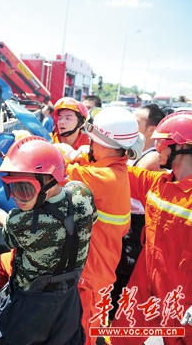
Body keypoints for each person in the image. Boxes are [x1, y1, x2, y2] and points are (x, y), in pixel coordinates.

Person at [0, 136, 97, 345]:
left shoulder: (20, 221)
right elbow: (91, 219)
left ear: (49, 182)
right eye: (10, 187)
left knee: (0, 334)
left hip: (31, 304)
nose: (15, 198)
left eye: (23, 189)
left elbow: (10, 236)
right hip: (69, 297)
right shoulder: (82, 194)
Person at [60, 106, 144, 345]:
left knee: (84, 335)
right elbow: (88, 165)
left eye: (93, 140)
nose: (89, 145)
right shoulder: (114, 171)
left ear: (104, 143)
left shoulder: (102, 178)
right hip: (100, 271)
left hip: (91, 276)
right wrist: (77, 153)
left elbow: (62, 172)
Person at [110, 111, 192, 345]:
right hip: (145, 282)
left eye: (162, 142)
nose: (156, 148)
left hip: (182, 295)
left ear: (182, 146)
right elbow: (117, 174)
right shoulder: (158, 184)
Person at [109, 103, 167, 318]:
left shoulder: (152, 157)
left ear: (152, 130)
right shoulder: (135, 151)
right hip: (123, 216)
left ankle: (115, 325)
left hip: (136, 224)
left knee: (124, 273)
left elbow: (125, 180)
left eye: (136, 122)